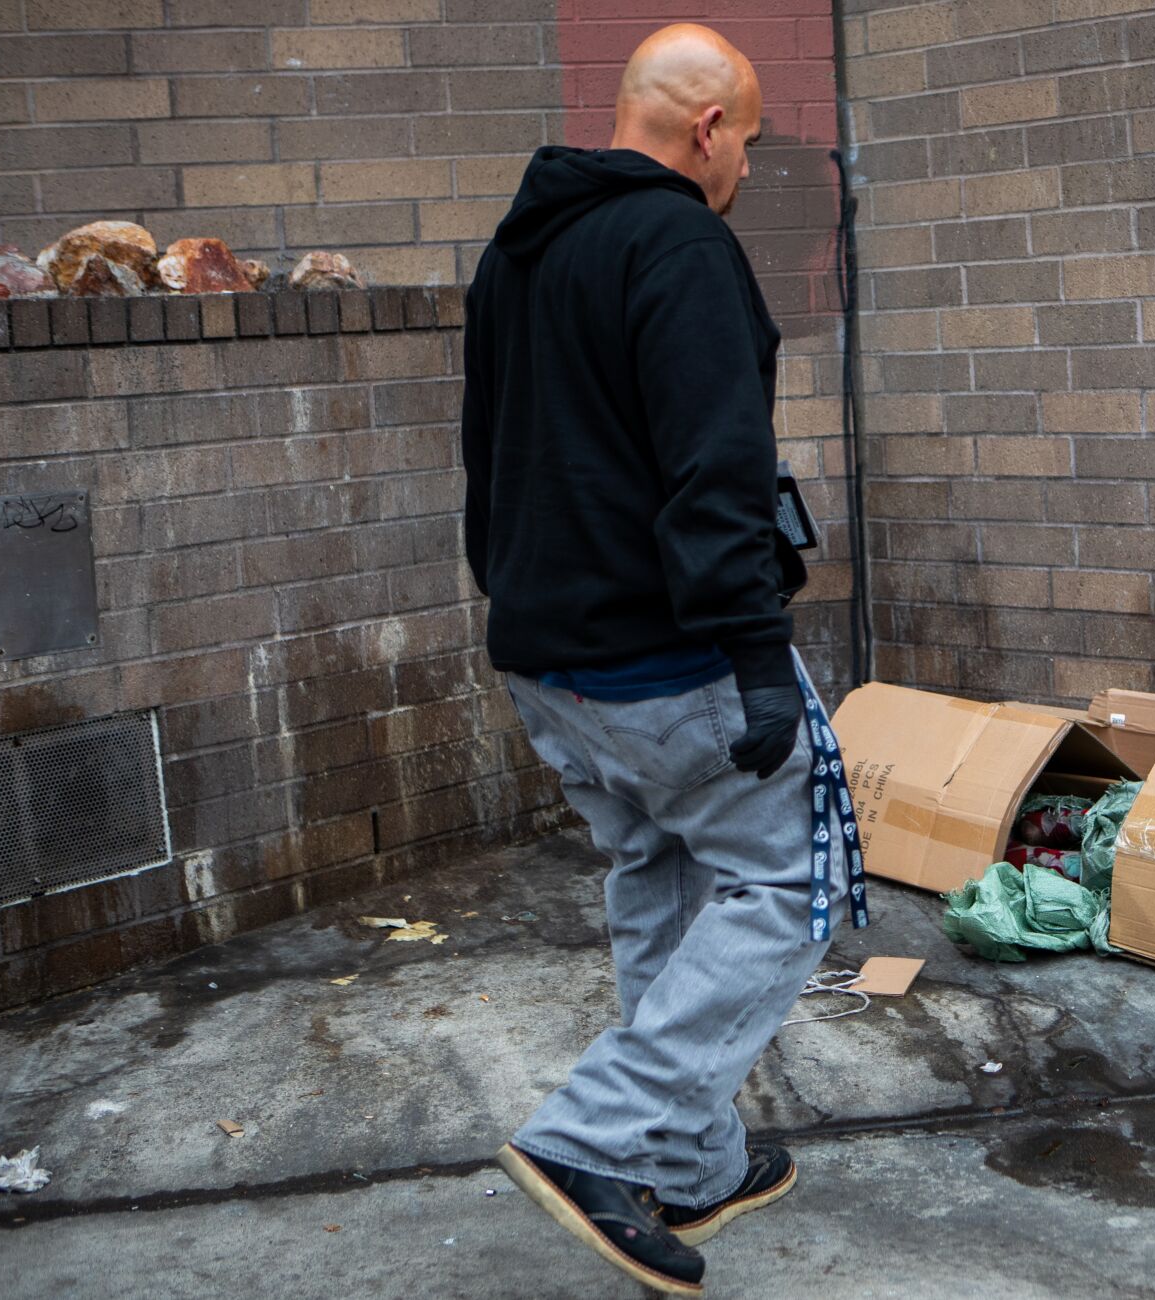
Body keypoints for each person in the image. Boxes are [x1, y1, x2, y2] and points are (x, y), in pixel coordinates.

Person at [459, 23, 866, 1296]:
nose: (745, 158)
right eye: (743, 133)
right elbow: (718, 473)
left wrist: (521, 602)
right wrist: (757, 657)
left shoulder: (519, 252)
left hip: (548, 658)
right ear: (707, 129)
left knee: (660, 876)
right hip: (664, 655)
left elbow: (486, 460)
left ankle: (693, 1160)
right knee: (792, 880)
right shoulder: (683, 243)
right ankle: (597, 1137)